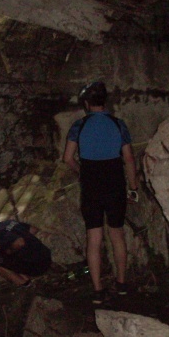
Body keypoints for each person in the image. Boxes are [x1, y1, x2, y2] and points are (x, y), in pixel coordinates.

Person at [62, 81, 139, 305]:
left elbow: (67, 158)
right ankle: (121, 284)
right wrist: (133, 188)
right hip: (114, 183)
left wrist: (81, 172)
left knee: (93, 237)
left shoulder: (79, 125)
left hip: (91, 185)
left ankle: (97, 291)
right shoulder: (118, 124)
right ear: (105, 102)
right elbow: (129, 159)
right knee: (117, 234)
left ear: (86, 103)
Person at [0, 219, 52, 287]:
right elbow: (33, 230)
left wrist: (8, 251)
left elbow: (19, 243)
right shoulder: (8, 222)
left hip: (36, 266)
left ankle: (24, 283)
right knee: (4, 254)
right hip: (46, 256)